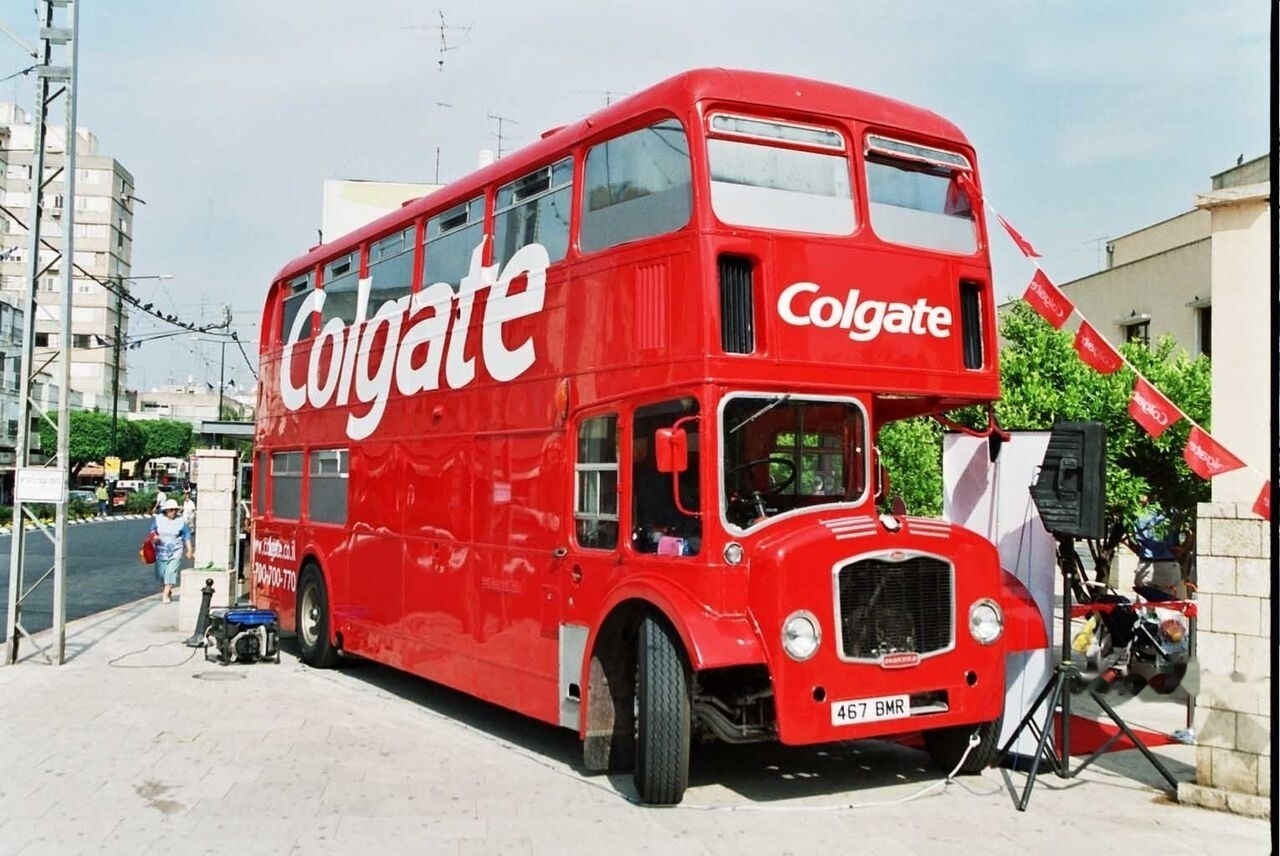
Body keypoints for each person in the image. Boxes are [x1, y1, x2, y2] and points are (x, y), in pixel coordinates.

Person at [1125, 495, 1180, 596]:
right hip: (1167, 565)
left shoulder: (1137, 514)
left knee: (1144, 606)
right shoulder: (1172, 512)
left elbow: (1132, 542)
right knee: (1168, 607)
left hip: (1145, 565)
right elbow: (1178, 543)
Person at [150, 498, 193, 603]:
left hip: (175, 551)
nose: (173, 512)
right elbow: (152, 530)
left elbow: (186, 535)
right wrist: (155, 537)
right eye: (171, 510)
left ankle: (165, 595)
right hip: (161, 552)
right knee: (161, 574)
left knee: (170, 572)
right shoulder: (159, 519)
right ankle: (168, 590)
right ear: (166, 510)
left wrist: (189, 549)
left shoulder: (181, 521)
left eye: (175, 510)